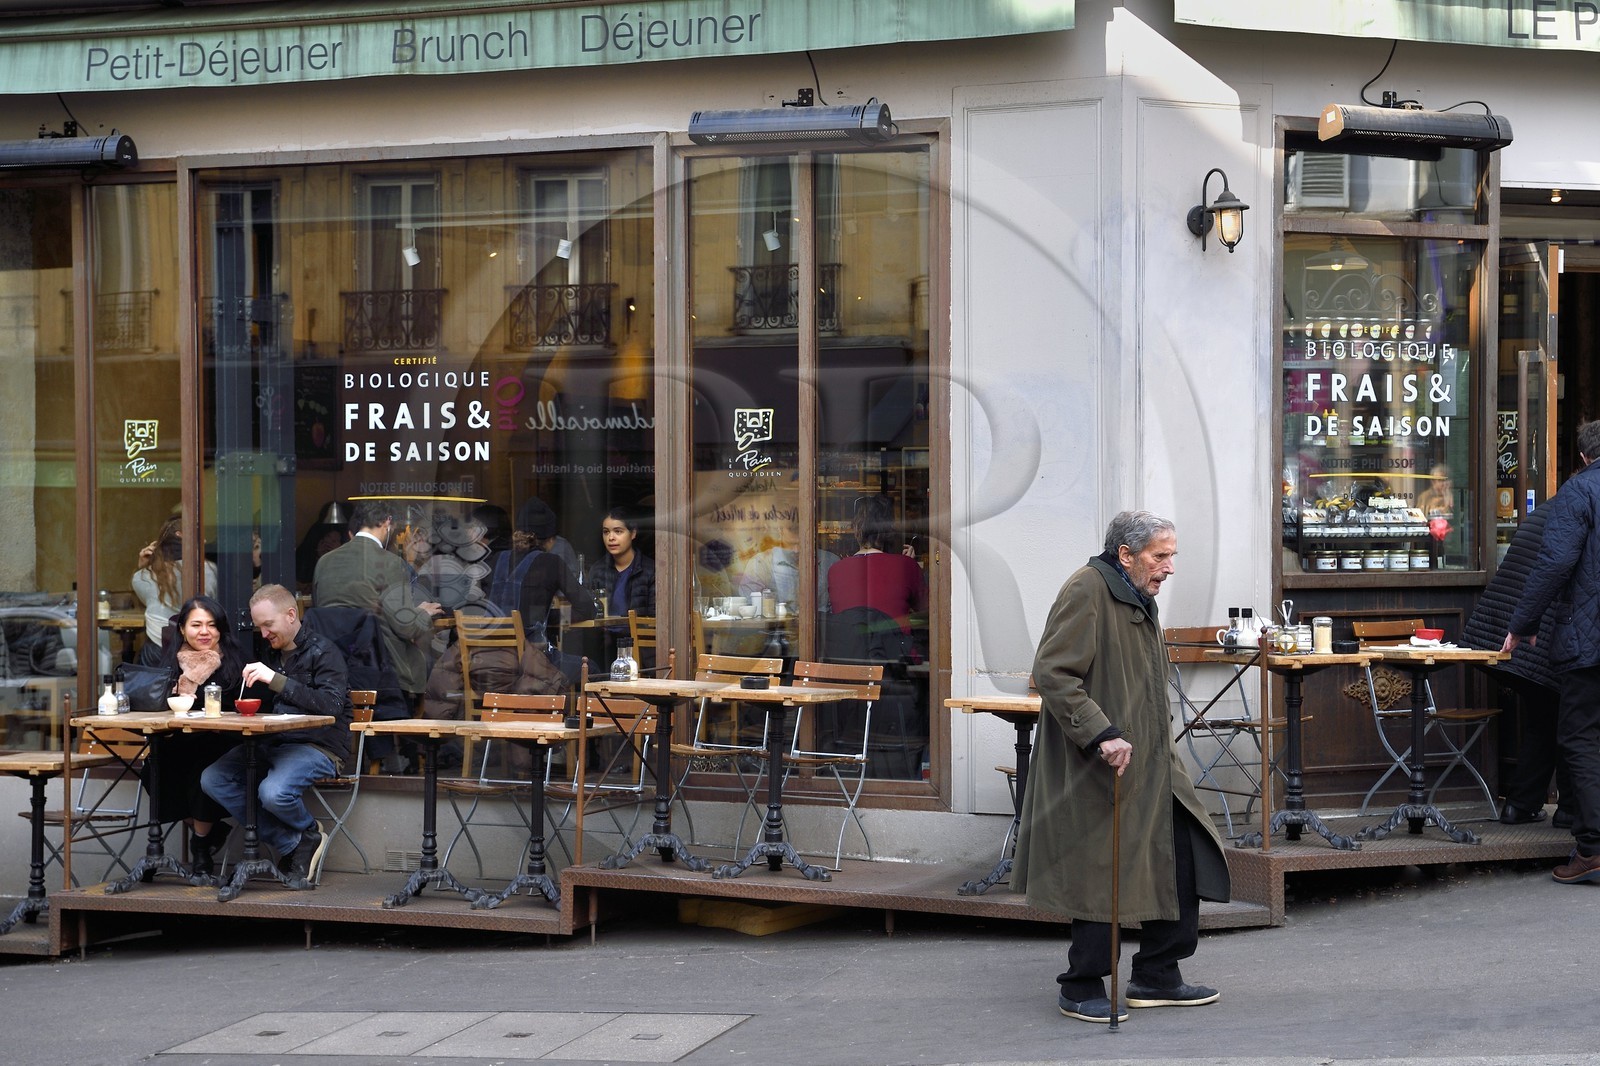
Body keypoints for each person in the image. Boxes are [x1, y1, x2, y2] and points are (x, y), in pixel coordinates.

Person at [1013, 510, 1230, 1024]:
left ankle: (1157, 974)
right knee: (1100, 868)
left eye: (1172, 554)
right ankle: (1081, 983)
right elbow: (1053, 672)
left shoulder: (1138, 593)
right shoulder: (1087, 589)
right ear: (1126, 554)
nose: (1170, 566)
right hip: (1101, 759)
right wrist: (1102, 732)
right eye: (1161, 555)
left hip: (1155, 758)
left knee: (1183, 851)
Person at [200, 584, 351, 882]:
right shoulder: (270, 654)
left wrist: (276, 680)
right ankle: (295, 842)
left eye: (268, 625)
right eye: (259, 627)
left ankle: (305, 830)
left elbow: (331, 707)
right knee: (213, 779)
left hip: (319, 746)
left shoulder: (324, 652)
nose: (264, 633)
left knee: (274, 793)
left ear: (291, 615)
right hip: (275, 742)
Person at [1503, 419, 1600, 884]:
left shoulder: (1578, 492)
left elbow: (1555, 562)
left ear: (1582, 457)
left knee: (1579, 737)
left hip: (1589, 641)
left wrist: (1522, 624)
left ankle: (1594, 849)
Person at [1460, 507, 1576, 827]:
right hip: (1540, 639)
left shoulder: (1550, 509)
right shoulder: (1583, 511)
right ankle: (1567, 809)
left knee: (1547, 719)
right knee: (1572, 721)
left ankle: (1522, 805)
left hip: (1502, 633)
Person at [147, 595, 244, 876]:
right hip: (179, 740)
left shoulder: (236, 661)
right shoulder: (171, 663)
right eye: (196, 625)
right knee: (153, 768)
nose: (204, 632)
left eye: (211, 625)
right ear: (182, 629)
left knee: (201, 767)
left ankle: (200, 846)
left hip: (222, 741)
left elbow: (250, 703)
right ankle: (208, 833)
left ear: (221, 629)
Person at [312, 500, 442, 706]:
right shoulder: (390, 563)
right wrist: (423, 613)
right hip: (383, 670)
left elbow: (323, 613)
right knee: (432, 659)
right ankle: (420, 734)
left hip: (334, 667)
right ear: (386, 523)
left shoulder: (324, 562)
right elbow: (406, 627)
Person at [488, 497, 593, 635]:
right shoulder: (552, 563)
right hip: (527, 653)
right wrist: (545, 616)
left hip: (485, 650)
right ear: (550, 539)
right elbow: (587, 609)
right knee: (584, 659)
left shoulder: (496, 559)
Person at [826, 494, 926, 639]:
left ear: (856, 530)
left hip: (850, 654)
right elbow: (925, 610)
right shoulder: (905, 566)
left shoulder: (836, 570)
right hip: (895, 655)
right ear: (889, 530)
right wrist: (911, 568)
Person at [132, 515, 219, 652]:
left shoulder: (142, 576)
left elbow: (144, 601)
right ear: (181, 535)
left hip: (157, 648)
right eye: (199, 534)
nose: (205, 540)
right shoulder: (208, 570)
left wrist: (143, 567)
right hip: (199, 647)